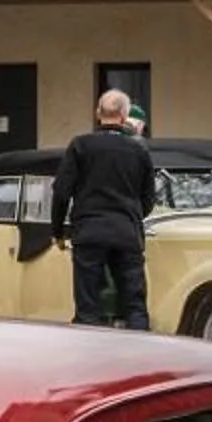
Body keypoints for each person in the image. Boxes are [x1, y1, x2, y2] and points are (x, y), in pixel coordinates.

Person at [51, 88, 158, 328]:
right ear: (124, 115)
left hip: (89, 231)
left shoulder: (81, 146)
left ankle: (93, 357)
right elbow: (149, 197)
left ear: (98, 113)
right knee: (134, 305)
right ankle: (141, 352)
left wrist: (58, 230)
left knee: (88, 307)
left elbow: (61, 192)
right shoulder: (139, 149)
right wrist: (132, 215)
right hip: (127, 233)